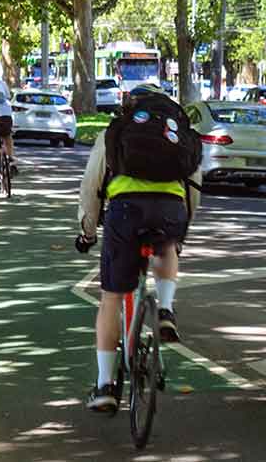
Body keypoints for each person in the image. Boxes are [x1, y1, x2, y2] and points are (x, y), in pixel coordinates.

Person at [75, 83, 202, 413]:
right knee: (168, 247)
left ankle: (104, 386)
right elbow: (193, 188)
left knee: (112, 298)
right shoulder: (176, 132)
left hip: (126, 213)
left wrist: (87, 233)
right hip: (171, 210)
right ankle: (165, 311)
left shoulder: (115, 131)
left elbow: (92, 186)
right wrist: (181, 231)